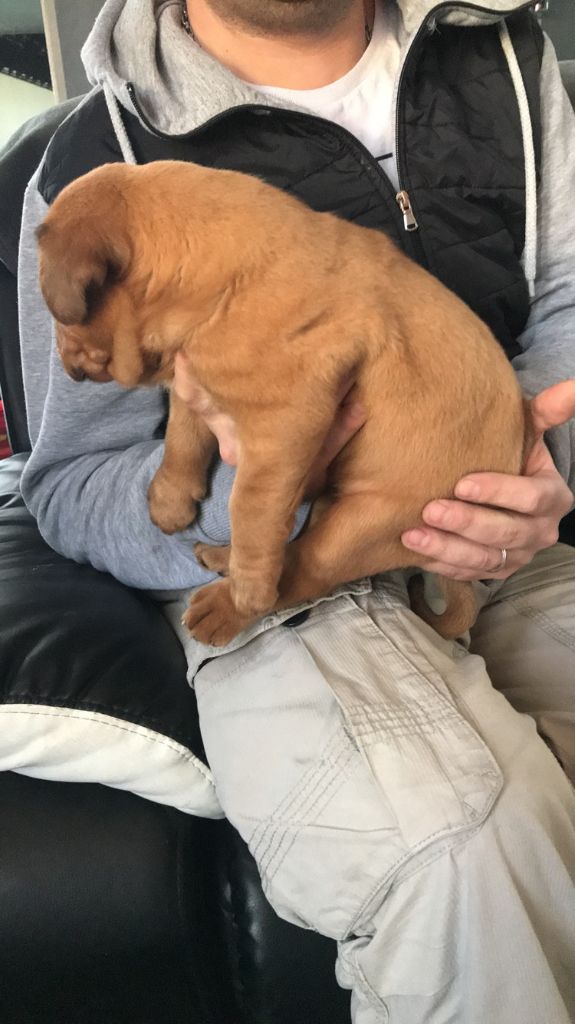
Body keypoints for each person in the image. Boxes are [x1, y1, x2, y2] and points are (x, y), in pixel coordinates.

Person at [17, 0, 575, 1020]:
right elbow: (68, 480)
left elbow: (565, 305)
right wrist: (254, 505)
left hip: (515, 531)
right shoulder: (96, 161)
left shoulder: (504, 57)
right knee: (463, 851)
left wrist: (528, 464)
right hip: (274, 581)